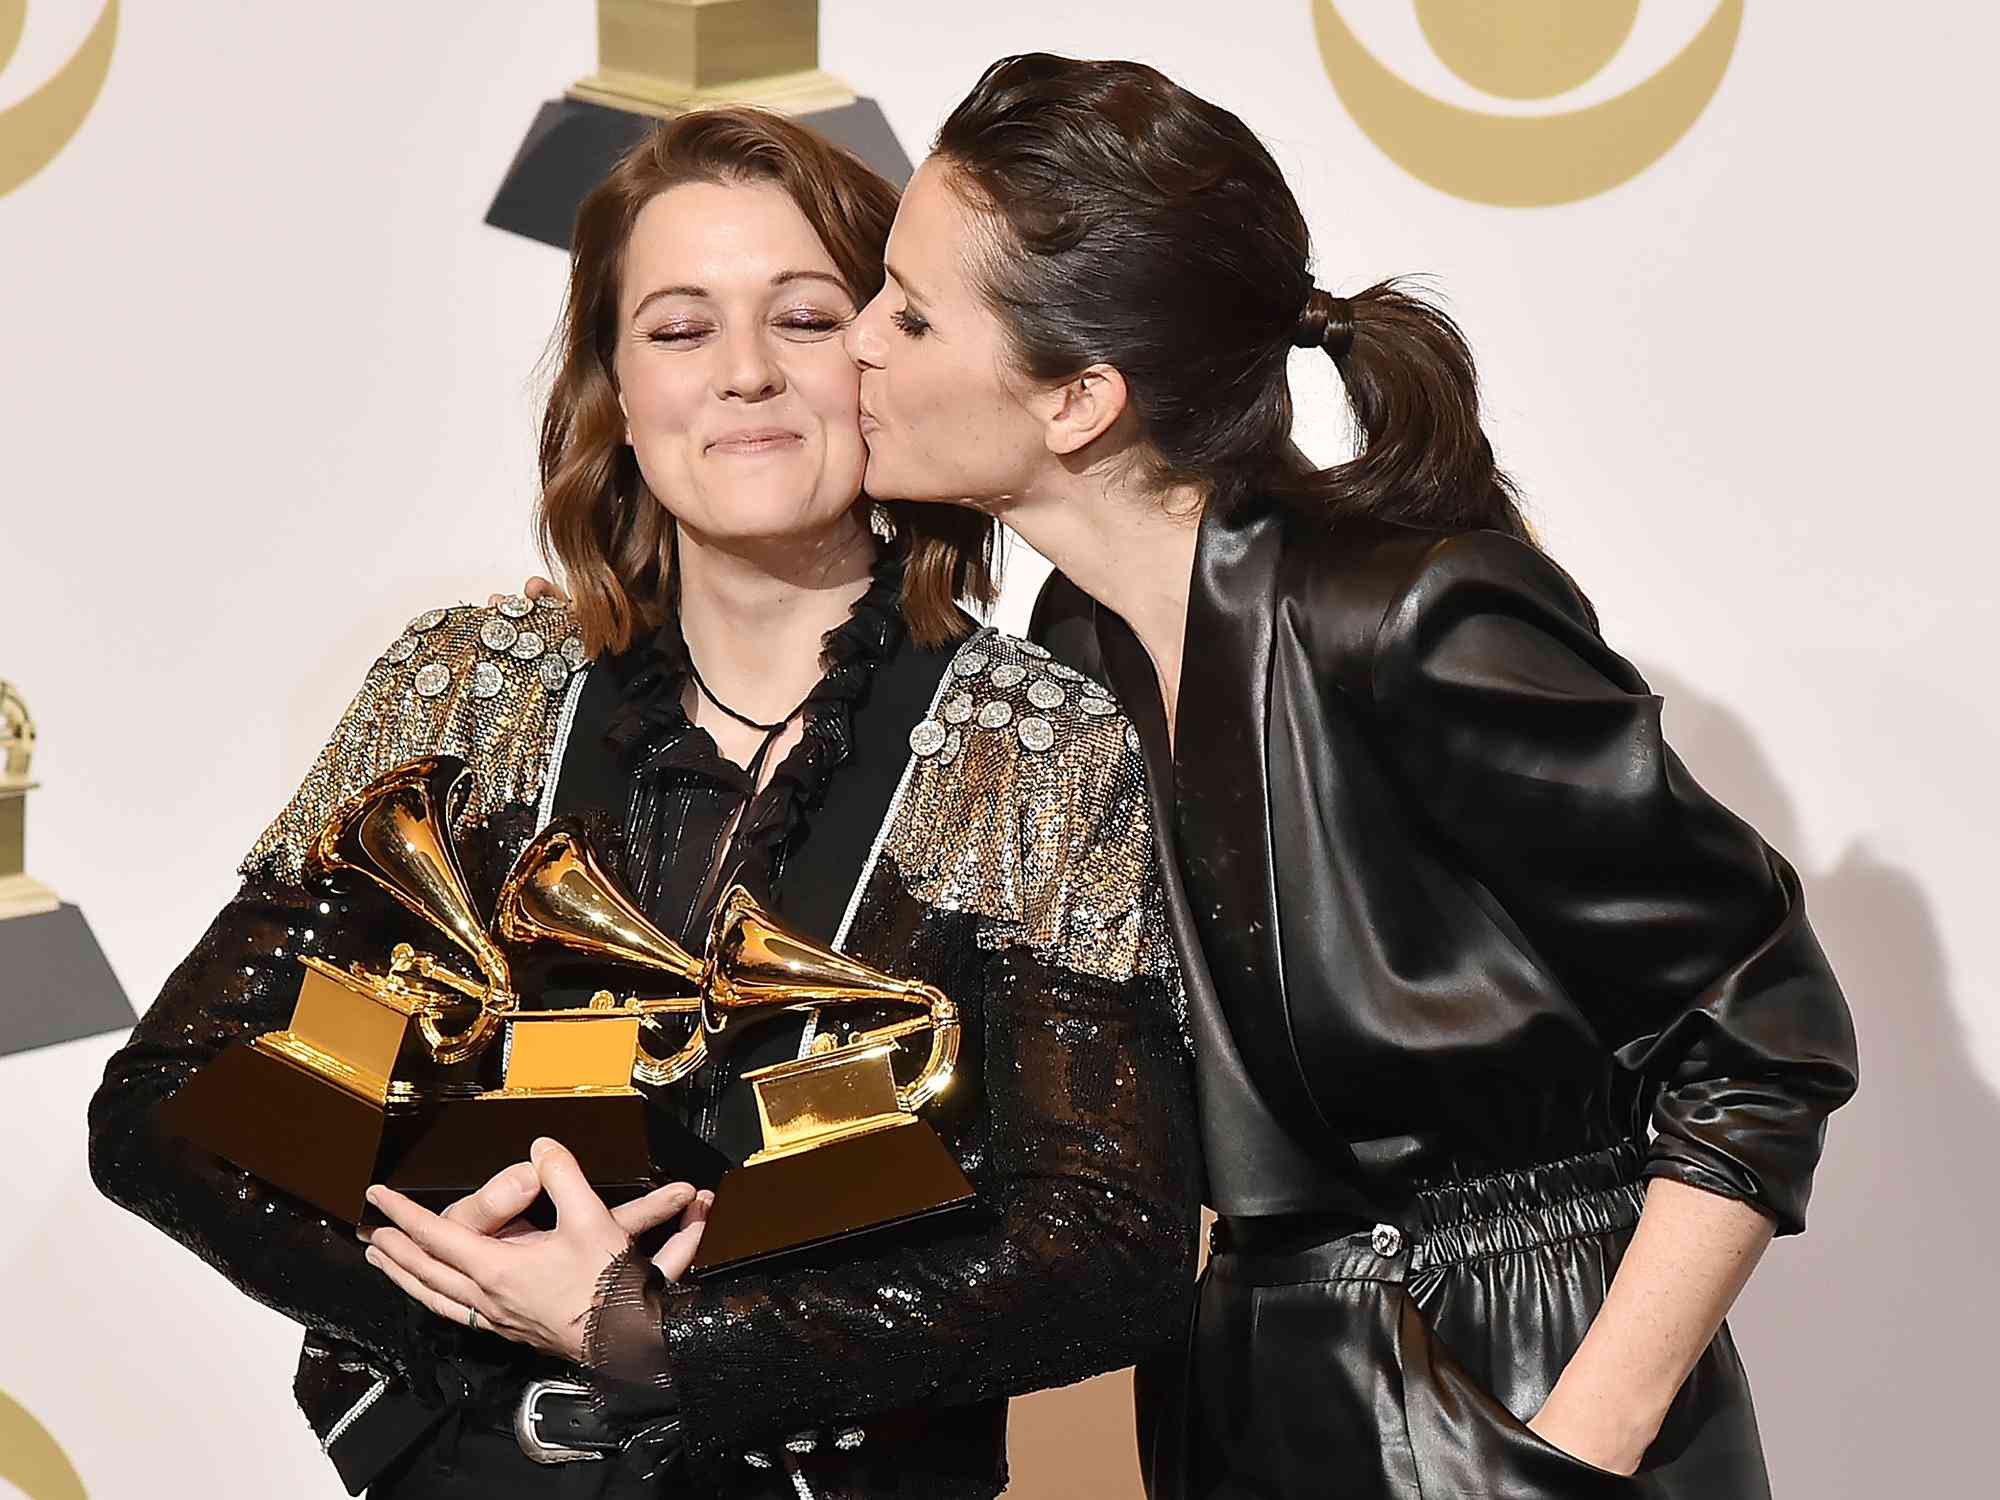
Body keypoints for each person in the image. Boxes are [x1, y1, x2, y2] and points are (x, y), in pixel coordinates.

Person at [87, 106, 1198, 1500]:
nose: (743, 375)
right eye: (678, 331)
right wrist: (450, 1289)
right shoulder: (462, 695)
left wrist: (657, 1340)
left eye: (802, 318)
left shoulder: (1040, 746)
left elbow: (1113, 1246)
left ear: (885, 356)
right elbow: (165, 1101)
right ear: (615, 385)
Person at [836, 53, 1860, 1499]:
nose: (855, 344)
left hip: (1512, 1388)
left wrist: (1575, 1449)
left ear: (1078, 399)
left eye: (910, 311)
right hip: (1241, 1401)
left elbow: (1765, 1036)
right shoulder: (1072, 643)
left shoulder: (1415, 615)